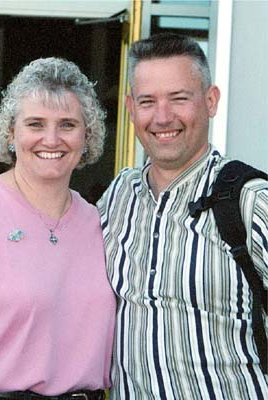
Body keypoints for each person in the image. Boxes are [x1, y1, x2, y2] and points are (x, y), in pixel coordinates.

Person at [97, 32, 268, 399]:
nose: (162, 117)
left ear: (210, 101)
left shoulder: (251, 202)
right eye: (147, 101)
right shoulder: (116, 198)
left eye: (179, 98)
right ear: (130, 109)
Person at [0, 57, 116, 400]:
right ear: (11, 133)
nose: (51, 138)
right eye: (35, 123)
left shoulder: (98, 222)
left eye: (67, 125)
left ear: (87, 136)